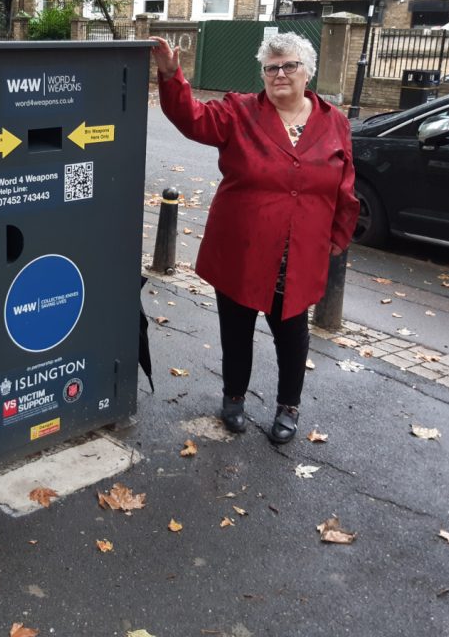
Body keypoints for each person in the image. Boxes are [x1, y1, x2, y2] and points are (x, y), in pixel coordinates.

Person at [150, 32, 358, 444]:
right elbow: (191, 117)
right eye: (271, 67)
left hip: (299, 252)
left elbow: (345, 184)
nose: (280, 74)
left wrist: (339, 234)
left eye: (289, 66)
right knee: (237, 328)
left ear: (307, 71)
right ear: (263, 74)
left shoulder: (333, 121)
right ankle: (233, 397)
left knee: (292, 333)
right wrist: (172, 76)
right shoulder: (239, 112)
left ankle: (288, 406)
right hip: (243, 247)